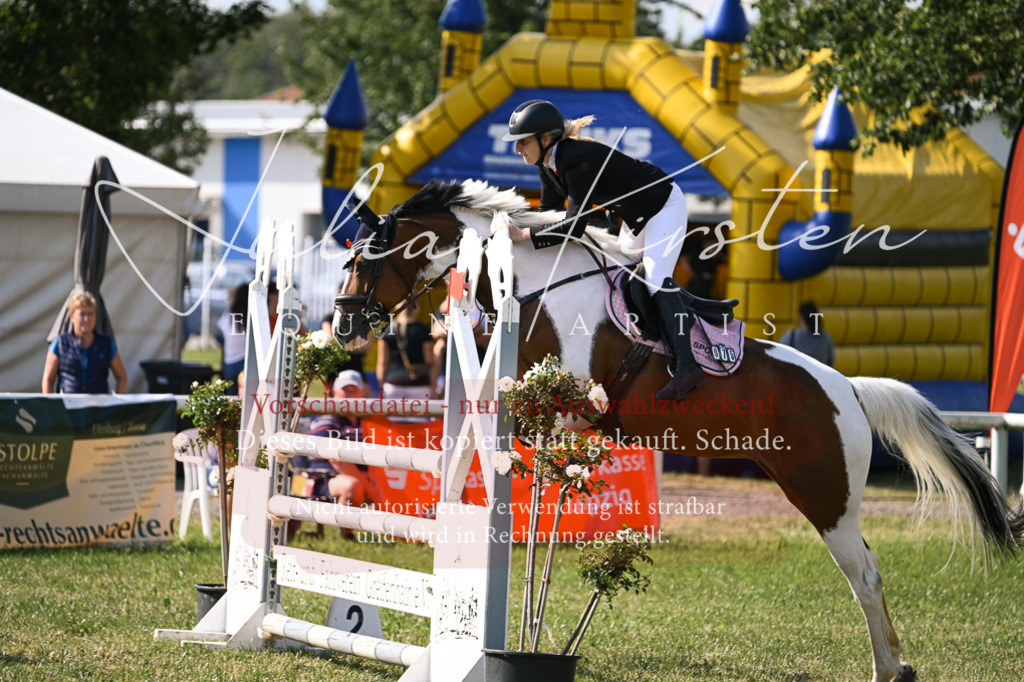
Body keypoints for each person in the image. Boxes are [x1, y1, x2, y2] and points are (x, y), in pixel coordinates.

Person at [500, 99, 704, 400]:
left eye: (523, 142)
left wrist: (523, 234)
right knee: (621, 270)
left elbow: (573, 227)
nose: (517, 149)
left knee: (654, 279)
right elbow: (548, 214)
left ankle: (687, 367)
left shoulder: (573, 157)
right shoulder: (547, 165)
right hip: (633, 216)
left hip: (663, 206)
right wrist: (517, 230)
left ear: (545, 139)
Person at [42, 291, 127, 394]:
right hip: (68, 402)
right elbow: (48, 379)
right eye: (82, 314)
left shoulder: (106, 343)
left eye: (90, 314)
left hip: (98, 403)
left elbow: (121, 376)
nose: (86, 319)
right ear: (72, 317)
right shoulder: (60, 343)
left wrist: (116, 401)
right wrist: (51, 403)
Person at [377, 300, 439, 405]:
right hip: (419, 385)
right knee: (419, 416)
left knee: (394, 416)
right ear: (417, 308)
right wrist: (434, 387)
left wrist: (381, 385)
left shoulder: (387, 330)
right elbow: (429, 361)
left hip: (393, 384)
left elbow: (382, 362)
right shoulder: (423, 329)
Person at [780, 301, 835, 367]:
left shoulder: (792, 336)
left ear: (800, 316)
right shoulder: (825, 337)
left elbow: (779, 356)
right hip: (818, 373)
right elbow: (831, 360)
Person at [217, 284, 248, 389]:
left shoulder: (228, 315)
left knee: (231, 396)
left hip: (230, 361)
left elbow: (221, 327)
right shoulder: (251, 316)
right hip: (246, 361)